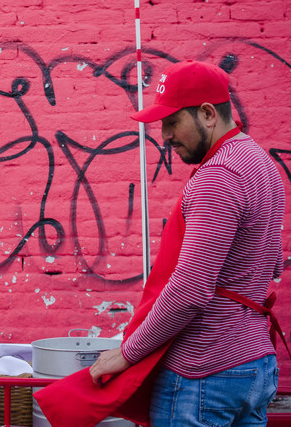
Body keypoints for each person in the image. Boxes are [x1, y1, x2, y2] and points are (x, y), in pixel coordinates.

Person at [38, 60, 286, 426]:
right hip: (253, 366)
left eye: (172, 123)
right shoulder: (261, 164)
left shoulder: (218, 176)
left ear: (206, 114)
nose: (165, 135)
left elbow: (190, 290)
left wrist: (127, 352)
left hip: (205, 372)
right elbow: (272, 264)